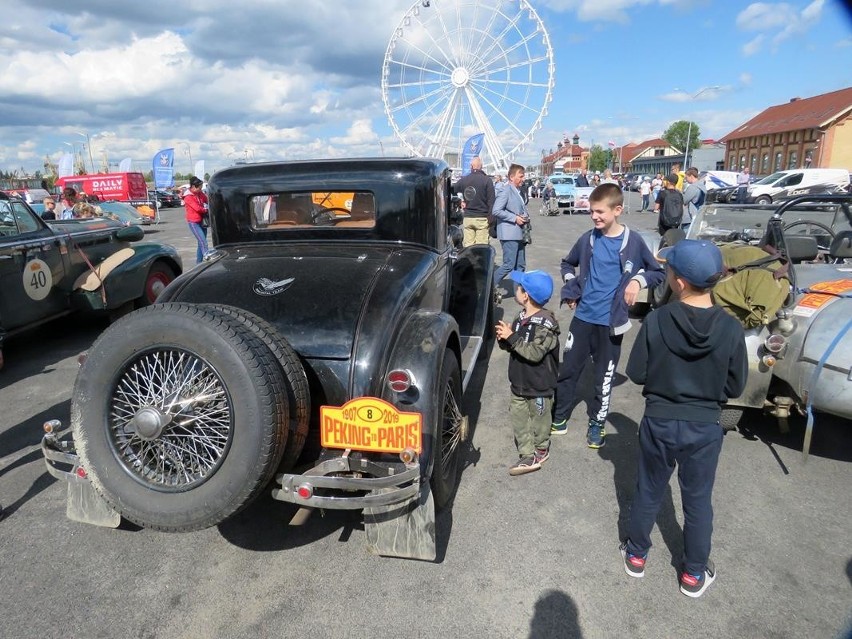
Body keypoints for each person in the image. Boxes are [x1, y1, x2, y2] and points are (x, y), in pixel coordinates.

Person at [621, 239, 747, 598]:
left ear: (678, 282)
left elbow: (638, 372)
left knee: (649, 489)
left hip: (660, 419)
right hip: (705, 425)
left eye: (669, 269)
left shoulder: (658, 319)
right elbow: (736, 384)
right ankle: (693, 574)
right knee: (697, 499)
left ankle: (636, 555)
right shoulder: (731, 327)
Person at [551, 183, 665, 448]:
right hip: (583, 319)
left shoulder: (633, 242)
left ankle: (597, 423)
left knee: (604, 377)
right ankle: (559, 416)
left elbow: (657, 272)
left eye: (600, 212)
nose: (594, 217)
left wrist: (637, 282)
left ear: (618, 210)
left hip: (611, 324)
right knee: (568, 370)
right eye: (592, 211)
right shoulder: (588, 239)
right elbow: (568, 264)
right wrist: (572, 288)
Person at [495, 270, 560, 476]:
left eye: (519, 287)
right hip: (519, 382)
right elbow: (515, 346)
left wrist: (512, 337)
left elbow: (534, 353)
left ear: (527, 296)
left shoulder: (547, 325)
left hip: (539, 385)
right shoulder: (520, 317)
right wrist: (504, 340)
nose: (516, 289)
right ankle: (526, 454)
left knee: (540, 420)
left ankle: (541, 448)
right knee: (519, 418)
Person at [492, 164, 530, 293]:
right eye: (521, 176)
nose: (523, 179)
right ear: (511, 177)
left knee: (520, 265)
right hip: (509, 234)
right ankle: (488, 287)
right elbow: (496, 210)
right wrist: (514, 218)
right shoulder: (505, 190)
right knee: (508, 265)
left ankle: (518, 292)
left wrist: (524, 216)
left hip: (519, 233)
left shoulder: (517, 191)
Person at [454, 156, 496, 246]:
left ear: (471, 166)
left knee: (469, 247)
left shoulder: (464, 180)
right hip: (482, 217)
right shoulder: (487, 180)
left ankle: (469, 260)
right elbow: (491, 201)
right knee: (481, 248)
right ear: (481, 166)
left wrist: (459, 201)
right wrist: (491, 220)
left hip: (468, 217)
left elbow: (451, 189)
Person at [184, 176, 209, 264]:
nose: (200, 189)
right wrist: (206, 209)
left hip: (202, 221)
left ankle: (199, 263)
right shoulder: (188, 197)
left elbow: (207, 200)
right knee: (203, 241)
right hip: (194, 223)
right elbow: (197, 208)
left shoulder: (200, 193)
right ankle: (207, 256)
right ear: (193, 187)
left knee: (201, 242)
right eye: (199, 188)